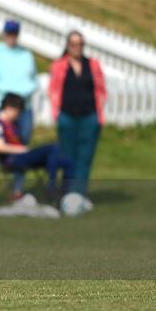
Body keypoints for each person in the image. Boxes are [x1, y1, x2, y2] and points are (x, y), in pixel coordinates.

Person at [0, 19, 39, 204]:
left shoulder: (26, 55)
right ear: (4, 33)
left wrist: (21, 92)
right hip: (1, 107)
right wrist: (9, 89)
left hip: (24, 108)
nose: (12, 37)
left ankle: (18, 190)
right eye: (9, 33)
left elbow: (33, 81)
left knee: (21, 148)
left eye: (14, 33)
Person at [48, 30, 106, 206]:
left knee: (85, 157)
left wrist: (99, 115)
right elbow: (53, 90)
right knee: (68, 157)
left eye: (80, 44)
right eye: (73, 44)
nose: (77, 48)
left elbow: (101, 90)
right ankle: (66, 193)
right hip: (67, 116)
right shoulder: (59, 66)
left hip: (89, 117)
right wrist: (56, 113)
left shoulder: (93, 65)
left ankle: (79, 194)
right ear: (67, 46)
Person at [0, 93, 74, 206]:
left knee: (68, 162)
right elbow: (0, 147)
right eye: (17, 112)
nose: (18, 115)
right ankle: (52, 188)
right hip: (13, 159)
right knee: (53, 148)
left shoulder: (13, 124)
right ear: (9, 108)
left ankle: (64, 195)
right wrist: (22, 149)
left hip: (23, 156)